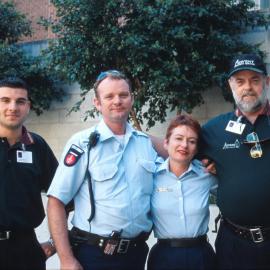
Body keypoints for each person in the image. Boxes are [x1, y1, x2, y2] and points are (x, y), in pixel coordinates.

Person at [47, 70, 159, 270]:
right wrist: (66, 259)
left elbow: (180, 151)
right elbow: (56, 201)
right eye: (109, 96)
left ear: (132, 99)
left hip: (136, 254)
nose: (117, 101)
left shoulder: (146, 144)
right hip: (94, 255)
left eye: (123, 95)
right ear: (97, 103)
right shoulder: (82, 143)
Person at [200, 53, 270, 269]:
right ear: (231, 85)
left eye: (254, 80)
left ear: (267, 83)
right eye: (240, 81)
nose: (247, 87)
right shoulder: (214, 129)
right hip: (233, 244)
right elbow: (177, 149)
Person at [0, 77, 58, 270]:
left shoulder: (37, 146)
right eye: (5, 100)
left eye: (20, 101)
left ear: (28, 106)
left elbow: (61, 196)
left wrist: (54, 242)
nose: (13, 107)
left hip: (26, 251)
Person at [147, 114, 217, 270]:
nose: (184, 145)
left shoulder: (207, 175)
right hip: (163, 257)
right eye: (178, 138)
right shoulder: (152, 176)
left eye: (191, 141)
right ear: (166, 143)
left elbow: (232, 194)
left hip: (201, 256)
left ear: (197, 148)